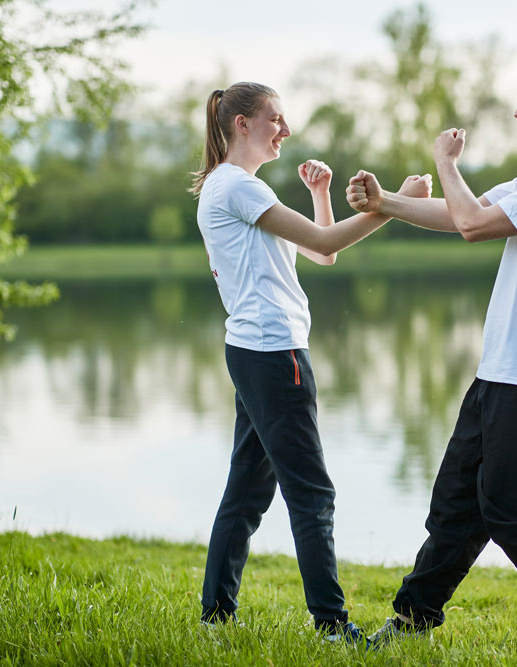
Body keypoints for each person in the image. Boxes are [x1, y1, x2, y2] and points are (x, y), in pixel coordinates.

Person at [346, 55, 517, 661]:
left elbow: (469, 225)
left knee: (513, 510)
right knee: (458, 503)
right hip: (501, 373)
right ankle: (413, 620)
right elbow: (459, 213)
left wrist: (445, 163)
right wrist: (385, 203)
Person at [191, 81, 430, 643]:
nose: (286, 129)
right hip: (275, 355)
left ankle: (216, 618)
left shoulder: (236, 188)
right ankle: (330, 626)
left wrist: (322, 193)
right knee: (312, 493)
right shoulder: (237, 189)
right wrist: (396, 202)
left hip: (256, 351)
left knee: (247, 492)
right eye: (275, 118)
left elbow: (322, 249)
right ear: (242, 124)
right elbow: (327, 239)